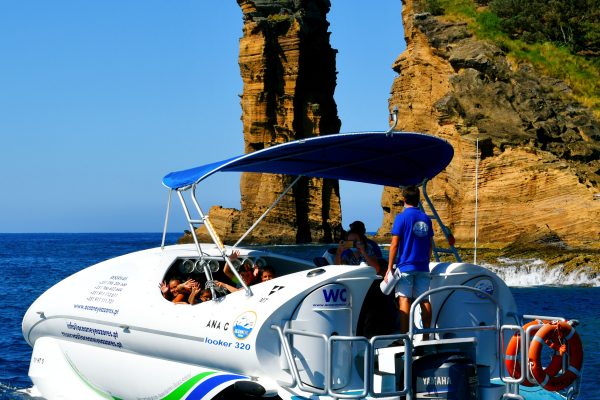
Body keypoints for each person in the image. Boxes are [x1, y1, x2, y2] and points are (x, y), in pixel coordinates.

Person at [385, 185, 433, 337]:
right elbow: (430, 245)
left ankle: (404, 338)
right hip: (423, 266)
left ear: (404, 199)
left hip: (406, 267)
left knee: (404, 300)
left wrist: (389, 268)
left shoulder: (401, 218)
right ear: (418, 199)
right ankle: (426, 336)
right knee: (424, 300)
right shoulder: (426, 218)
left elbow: (394, 244)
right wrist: (426, 261)